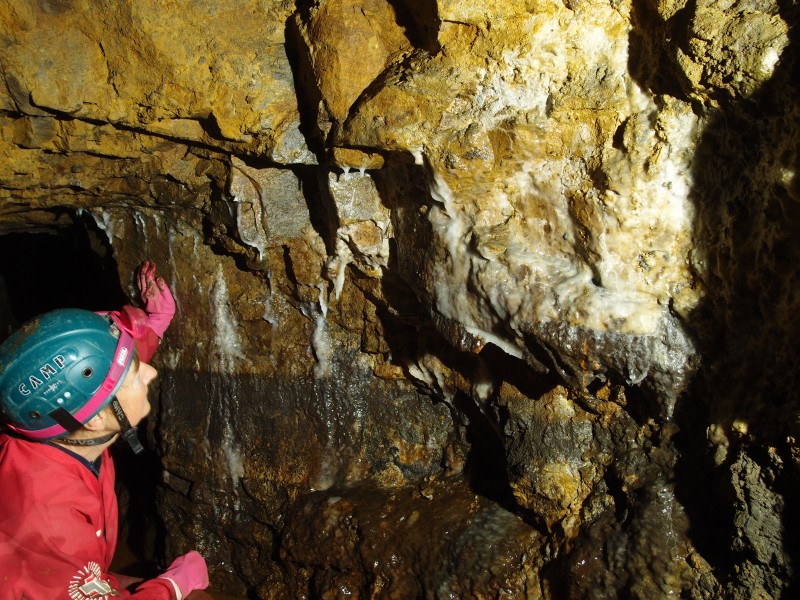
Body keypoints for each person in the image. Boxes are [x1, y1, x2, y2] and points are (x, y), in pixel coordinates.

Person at [0, 261, 210, 599]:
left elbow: (103, 378)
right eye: (137, 372)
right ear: (95, 419)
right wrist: (173, 585)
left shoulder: (68, 427)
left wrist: (154, 323)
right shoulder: (46, 518)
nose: (150, 374)